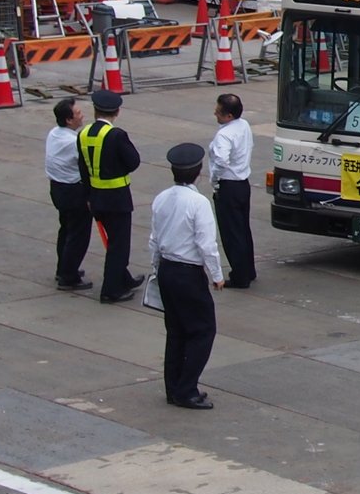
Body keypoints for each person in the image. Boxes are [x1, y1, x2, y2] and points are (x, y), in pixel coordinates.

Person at [149, 142, 225, 409]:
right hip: (188, 273)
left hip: (168, 269)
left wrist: (157, 269)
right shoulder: (198, 203)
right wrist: (216, 274)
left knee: (176, 332)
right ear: (199, 172)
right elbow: (206, 244)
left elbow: (154, 239)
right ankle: (187, 389)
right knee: (203, 331)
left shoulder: (161, 198)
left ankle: (174, 388)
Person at [78, 87, 144, 304]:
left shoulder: (84, 134)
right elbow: (133, 161)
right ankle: (110, 290)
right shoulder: (116, 135)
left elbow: (83, 168)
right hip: (117, 198)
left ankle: (123, 278)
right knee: (119, 246)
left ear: (95, 111)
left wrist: (88, 196)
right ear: (116, 112)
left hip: (96, 198)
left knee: (113, 242)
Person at [209, 92, 255, 288]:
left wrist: (215, 180)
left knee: (231, 234)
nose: (215, 113)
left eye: (219, 112)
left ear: (229, 116)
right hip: (243, 183)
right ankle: (248, 270)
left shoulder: (224, 135)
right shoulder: (243, 125)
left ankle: (240, 276)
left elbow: (220, 161)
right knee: (243, 230)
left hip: (229, 185)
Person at [46, 97, 93, 290]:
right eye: (78, 113)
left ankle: (63, 268)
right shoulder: (74, 141)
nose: (82, 116)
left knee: (65, 230)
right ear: (68, 120)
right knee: (78, 235)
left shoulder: (54, 134)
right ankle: (69, 276)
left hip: (57, 189)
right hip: (73, 192)